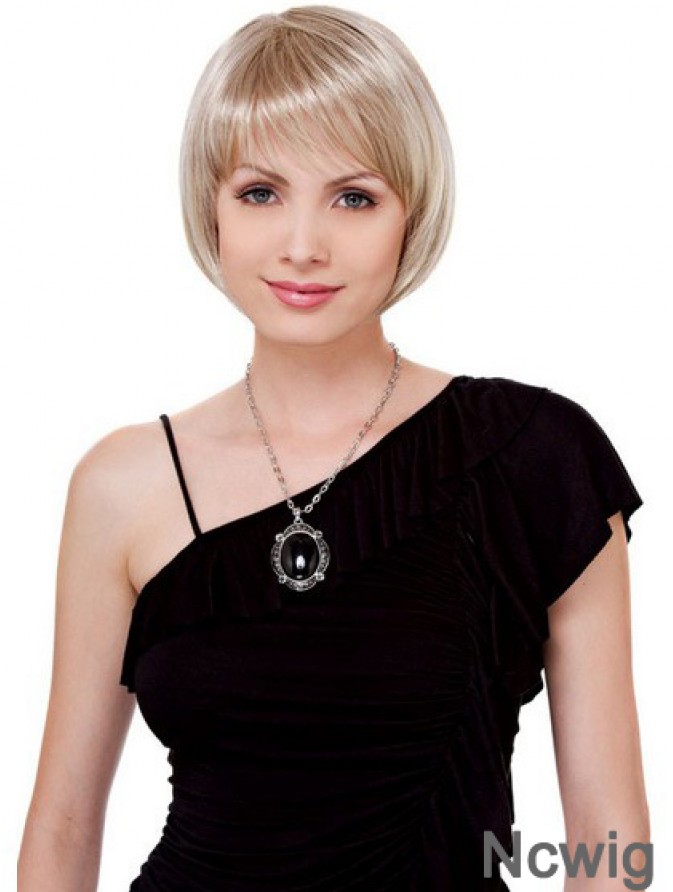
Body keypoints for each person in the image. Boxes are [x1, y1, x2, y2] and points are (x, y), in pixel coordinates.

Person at [18, 5, 651, 891]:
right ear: (211, 208)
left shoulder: (533, 455)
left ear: (411, 212)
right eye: (260, 193)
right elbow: (61, 828)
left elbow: (608, 839)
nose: (302, 246)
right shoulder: (123, 483)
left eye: (353, 197)